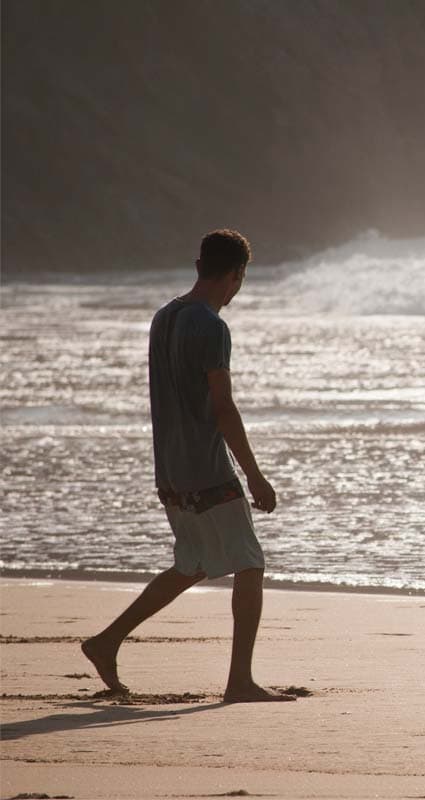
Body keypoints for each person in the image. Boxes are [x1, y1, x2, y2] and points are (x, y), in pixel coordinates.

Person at [81, 229, 294, 703]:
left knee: (192, 563)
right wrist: (254, 474)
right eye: (241, 279)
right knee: (250, 562)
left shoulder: (165, 316)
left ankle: (106, 641)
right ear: (236, 274)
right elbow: (223, 407)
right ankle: (240, 681)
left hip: (170, 469)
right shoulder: (211, 326)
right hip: (207, 468)